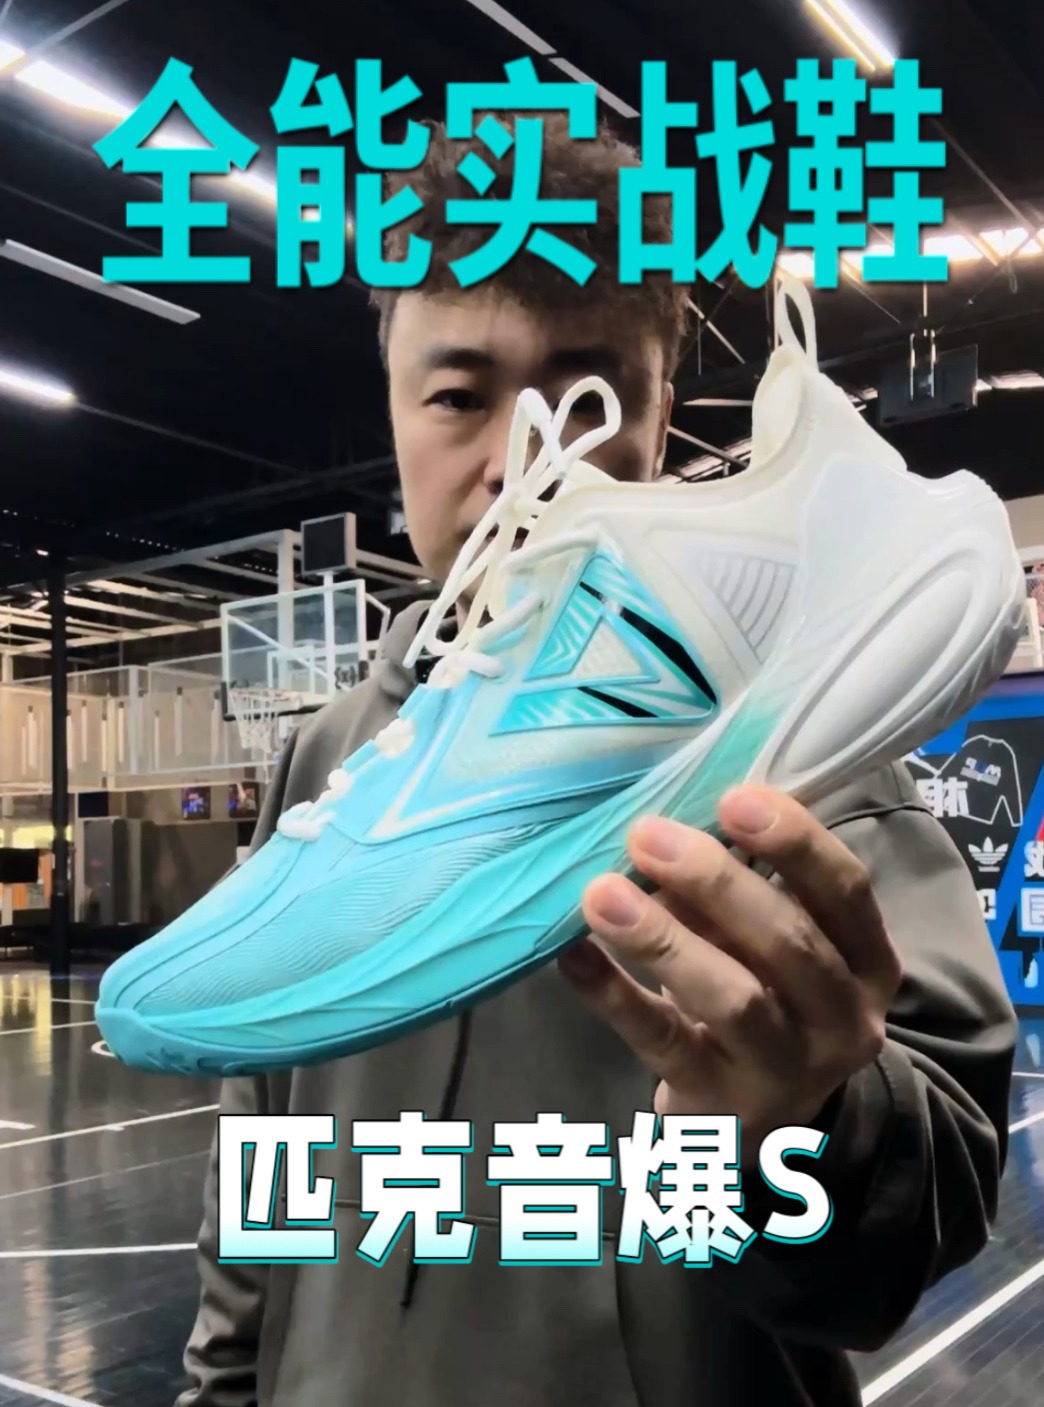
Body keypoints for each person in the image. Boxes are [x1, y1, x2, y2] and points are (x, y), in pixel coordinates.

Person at [174, 114, 1016, 1407]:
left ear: (663, 416)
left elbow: (925, 1212)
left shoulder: (806, 769)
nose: (523, 458)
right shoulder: (328, 754)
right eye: (460, 396)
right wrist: (225, 1389)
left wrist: (806, 1124)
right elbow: (265, 1159)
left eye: (588, 396)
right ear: (395, 416)